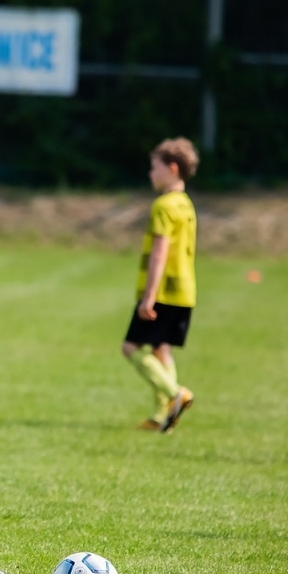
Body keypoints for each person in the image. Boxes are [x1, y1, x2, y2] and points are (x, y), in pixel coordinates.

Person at [122, 138, 199, 433]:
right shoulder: (186, 204)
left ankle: (174, 393)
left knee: (130, 348)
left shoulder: (164, 206)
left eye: (154, 167)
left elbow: (159, 253)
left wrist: (148, 297)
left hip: (163, 291)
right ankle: (160, 416)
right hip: (184, 291)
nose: (150, 174)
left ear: (172, 168)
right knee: (161, 349)